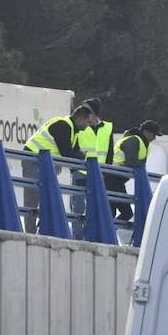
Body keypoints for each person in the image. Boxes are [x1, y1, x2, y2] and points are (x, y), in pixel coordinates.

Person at [22, 104, 93, 234]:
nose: (88, 125)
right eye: (88, 122)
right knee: (32, 197)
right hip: (33, 158)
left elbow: (73, 152)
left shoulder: (73, 130)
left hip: (45, 161)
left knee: (48, 196)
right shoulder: (63, 125)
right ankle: (30, 232)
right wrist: (80, 155)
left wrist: (76, 155)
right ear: (80, 118)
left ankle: (42, 230)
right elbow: (68, 153)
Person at [70, 98, 115, 235]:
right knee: (78, 207)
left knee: (95, 206)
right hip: (80, 171)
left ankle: (91, 235)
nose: (83, 111)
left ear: (95, 113)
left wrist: (107, 171)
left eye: (87, 109)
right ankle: (77, 237)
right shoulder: (79, 123)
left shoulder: (108, 127)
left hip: (99, 174)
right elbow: (73, 144)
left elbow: (110, 151)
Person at [112, 119, 162, 222]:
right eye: (153, 134)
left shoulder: (142, 143)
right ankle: (105, 234)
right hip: (112, 179)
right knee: (116, 213)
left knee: (126, 213)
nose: (154, 138)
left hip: (118, 181)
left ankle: (109, 233)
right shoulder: (134, 140)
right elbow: (131, 162)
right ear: (146, 132)